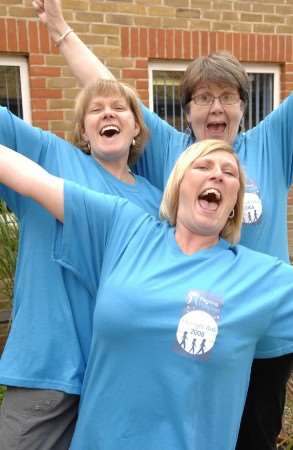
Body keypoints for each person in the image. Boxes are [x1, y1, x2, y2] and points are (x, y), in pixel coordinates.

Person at [32, 2, 293, 448]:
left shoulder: (270, 141)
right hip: (198, 330)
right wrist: (60, 30)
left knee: (255, 437)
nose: (216, 107)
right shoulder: (171, 151)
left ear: (243, 108)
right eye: (203, 97)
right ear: (186, 110)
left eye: (227, 97)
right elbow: (103, 86)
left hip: (263, 333)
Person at [0, 138, 292, 450]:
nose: (217, 175)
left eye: (230, 173)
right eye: (203, 166)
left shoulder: (260, 279)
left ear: (235, 201)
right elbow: (32, 180)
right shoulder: (124, 229)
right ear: (178, 185)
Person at [0, 79, 161, 449]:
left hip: (117, 379)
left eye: (120, 108)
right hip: (45, 369)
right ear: (84, 131)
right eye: (95, 109)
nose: (108, 112)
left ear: (136, 128)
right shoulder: (50, 156)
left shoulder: (157, 204)